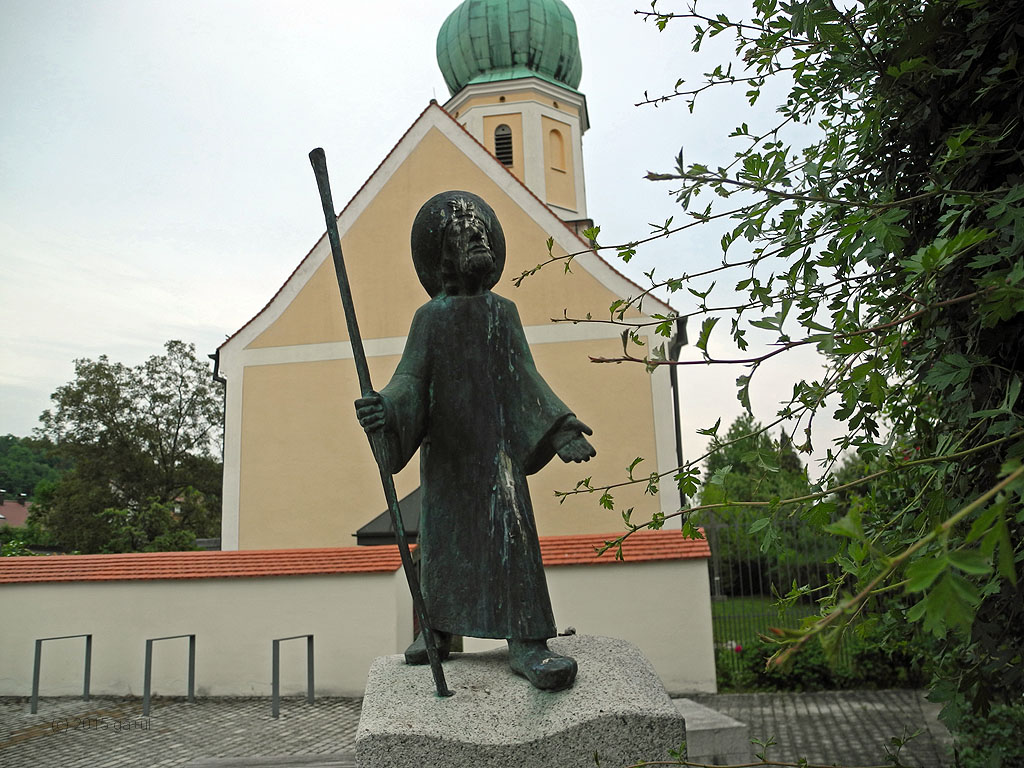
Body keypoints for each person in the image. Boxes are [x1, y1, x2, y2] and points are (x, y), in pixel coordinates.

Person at [355, 191, 595, 691]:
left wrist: (560, 427)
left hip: (496, 451)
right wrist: (386, 408)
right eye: (467, 236)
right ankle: (437, 630)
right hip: (446, 455)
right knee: (442, 543)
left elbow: (524, 377)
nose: (479, 240)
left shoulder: (502, 313)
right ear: (445, 253)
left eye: (483, 234)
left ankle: (527, 642)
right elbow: (410, 381)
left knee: (512, 535)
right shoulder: (430, 318)